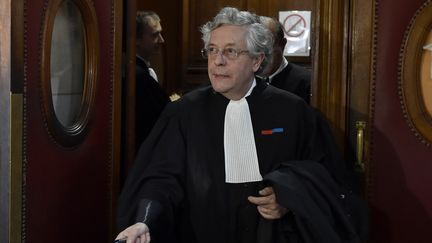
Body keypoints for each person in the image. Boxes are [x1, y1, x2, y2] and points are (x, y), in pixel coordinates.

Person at [116, 7, 366, 243]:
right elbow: (160, 179)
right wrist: (144, 221)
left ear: (257, 61)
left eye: (230, 51)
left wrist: (288, 197)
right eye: (212, 50)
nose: (218, 61)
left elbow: (324, 177)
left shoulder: (293, 111)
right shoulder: (182, 113)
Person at [132, 11, 170, 151]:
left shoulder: (144, 72)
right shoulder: (138, 76)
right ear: (136, 39)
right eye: (155, 35)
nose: (161, 40)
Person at [258, 16, 311, 103]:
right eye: (256, 47)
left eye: (267, 46)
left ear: (282, 44)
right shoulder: (243, 80)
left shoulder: (306, 82)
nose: (261, 55)